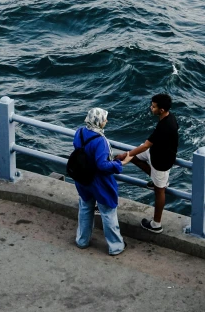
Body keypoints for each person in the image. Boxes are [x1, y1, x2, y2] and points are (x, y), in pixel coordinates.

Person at [73, 108, 132, 256]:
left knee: (85, 208)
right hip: (99, 182)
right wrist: (121, 164)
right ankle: (116, 246)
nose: (106, 121)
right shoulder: (101, 141)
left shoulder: (79, 132)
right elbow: (102, 165)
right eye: (104, 119)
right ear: (98, 122)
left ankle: (82, 240)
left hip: (82, 178)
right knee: (108, 212)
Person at [117, 93, 178, 234]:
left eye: (154, 106)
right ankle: (156, 181)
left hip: (161, 162)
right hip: (154, 152)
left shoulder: (164, 127)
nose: (151, 107)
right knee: (135, 157)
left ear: (161, 109)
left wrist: (126, 154)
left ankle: (156, 224)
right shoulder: (170, 117)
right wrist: (131, 155)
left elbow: (145, 146)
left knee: (160, 191)